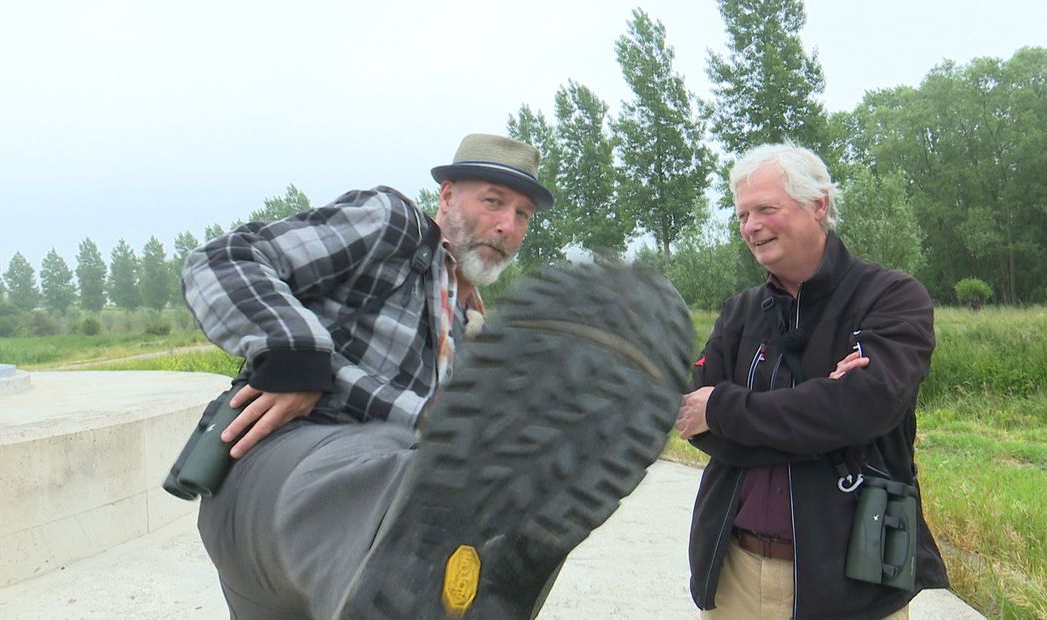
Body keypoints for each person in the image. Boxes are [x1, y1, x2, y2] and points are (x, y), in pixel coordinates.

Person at [180, 133, 692, 619]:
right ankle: (436, 558)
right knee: (406, 469)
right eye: (493, 202)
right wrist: (295, 351)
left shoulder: (477, 338)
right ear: (446, 195)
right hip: (272, 471)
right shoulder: (392, 227)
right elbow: (224, 260)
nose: (507, 226)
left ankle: (470, 567)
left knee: (466, 479)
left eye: (522, 215)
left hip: (303, 574)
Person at [674, 143, 949, 619]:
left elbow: (864, 408)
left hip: (855, 583)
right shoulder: (740, 311)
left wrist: (724, 410)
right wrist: (821, 421)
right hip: (735, 572)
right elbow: (691, 415)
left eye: (765, 209)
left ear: (818, 205)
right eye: (742, 215)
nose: (751, 227)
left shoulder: (891, 297)